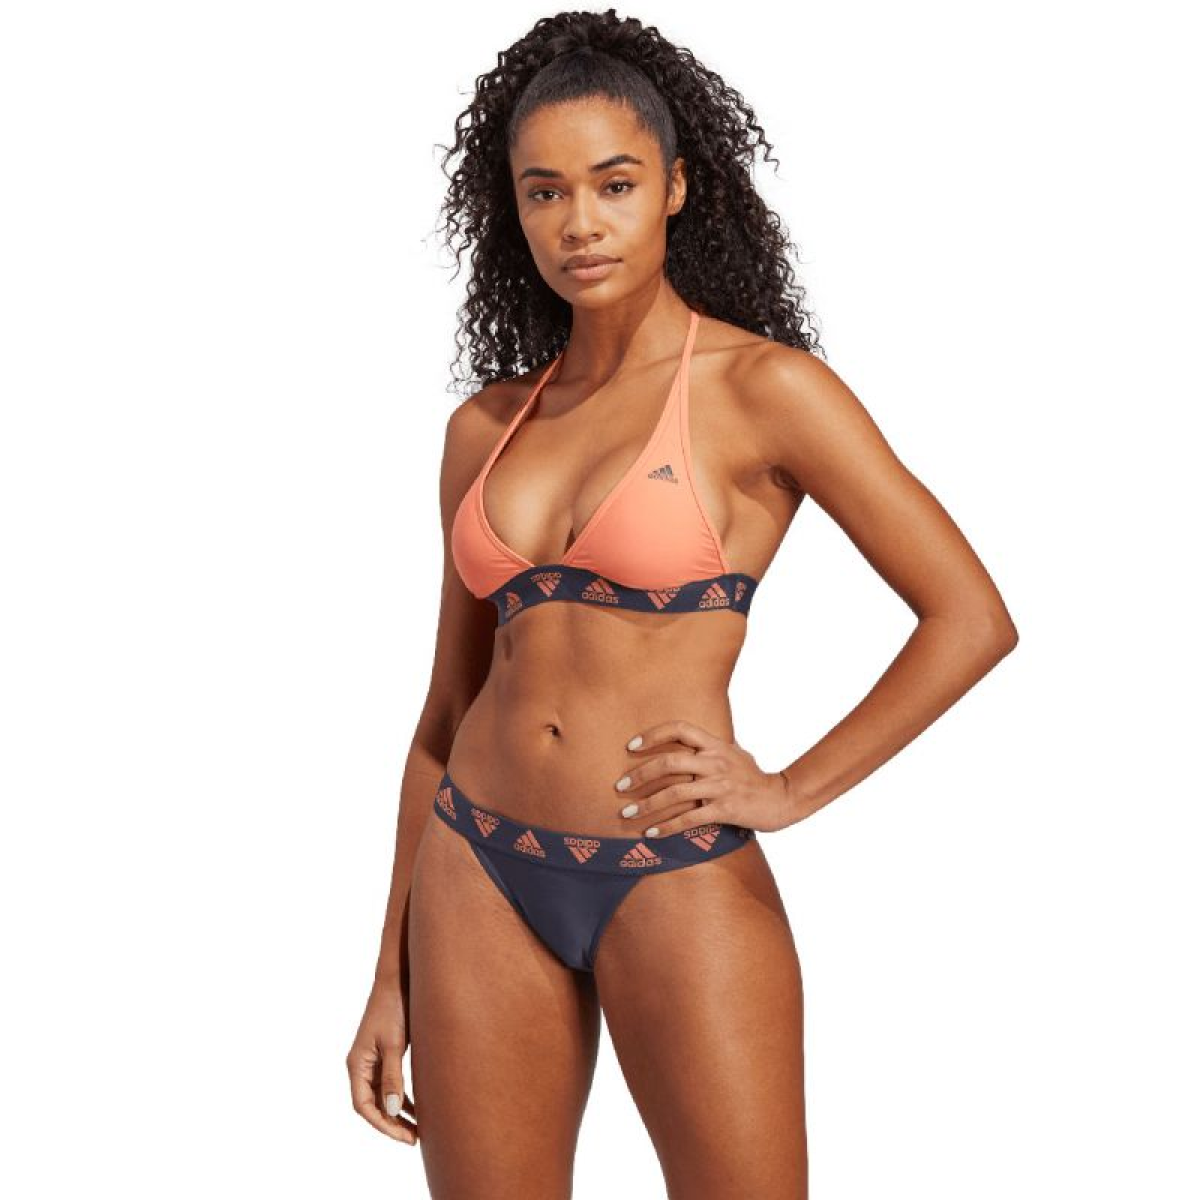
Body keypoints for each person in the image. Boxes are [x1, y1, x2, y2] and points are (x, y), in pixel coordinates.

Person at [347, 12, 1018, 1199]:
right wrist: (388, 972)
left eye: (614, 184)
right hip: (475, 866)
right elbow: (445, 713)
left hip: (674, 867)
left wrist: (789, 788)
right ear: (513, 210)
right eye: (545, 192)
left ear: (675, 187)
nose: (579, 222)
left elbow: (969, 616)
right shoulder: (484, 428)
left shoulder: (765, 390)